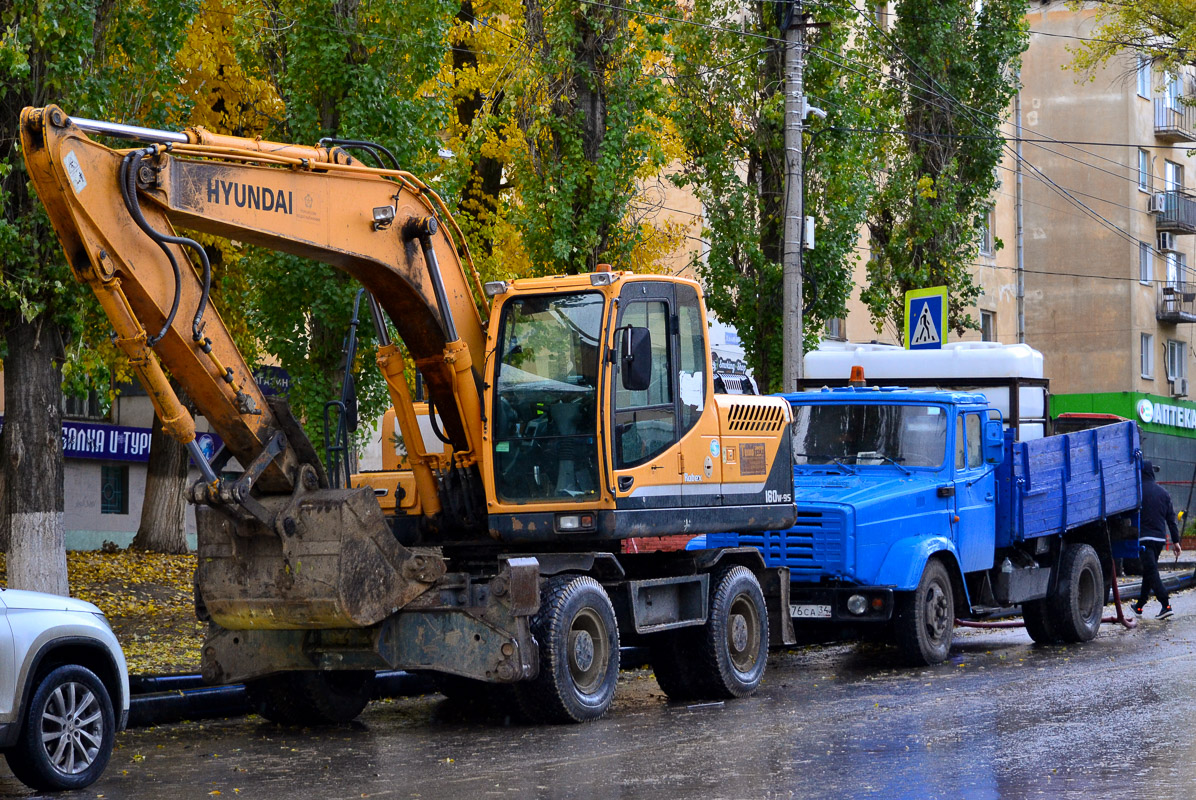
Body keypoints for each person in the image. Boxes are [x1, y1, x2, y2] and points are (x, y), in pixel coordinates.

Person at [1134, 460, 1182, 619]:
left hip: (1144, 538)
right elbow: (1171, 519)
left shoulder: (1137, 491)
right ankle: (1140, 606)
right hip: (1159, 539)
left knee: (1151, 571)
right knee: (1150, 570)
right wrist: (1176, 542)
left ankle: (1165, 604)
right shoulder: (1164, 493)